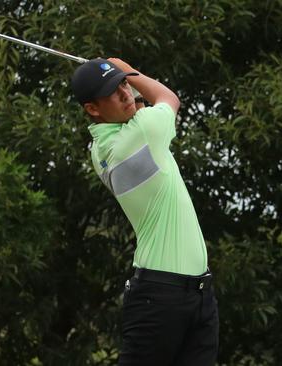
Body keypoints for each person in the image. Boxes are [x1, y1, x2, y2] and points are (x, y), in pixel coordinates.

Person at [71, 58, 219, 366]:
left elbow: (137, 106)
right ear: (92, 109)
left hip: (196, 294)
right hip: (161, 296)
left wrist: (116, 79)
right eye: (114, 92)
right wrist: (126, 69)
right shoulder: (140, 135)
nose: (126, 94)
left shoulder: (103, 147)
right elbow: (168, 98)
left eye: (123, 85)